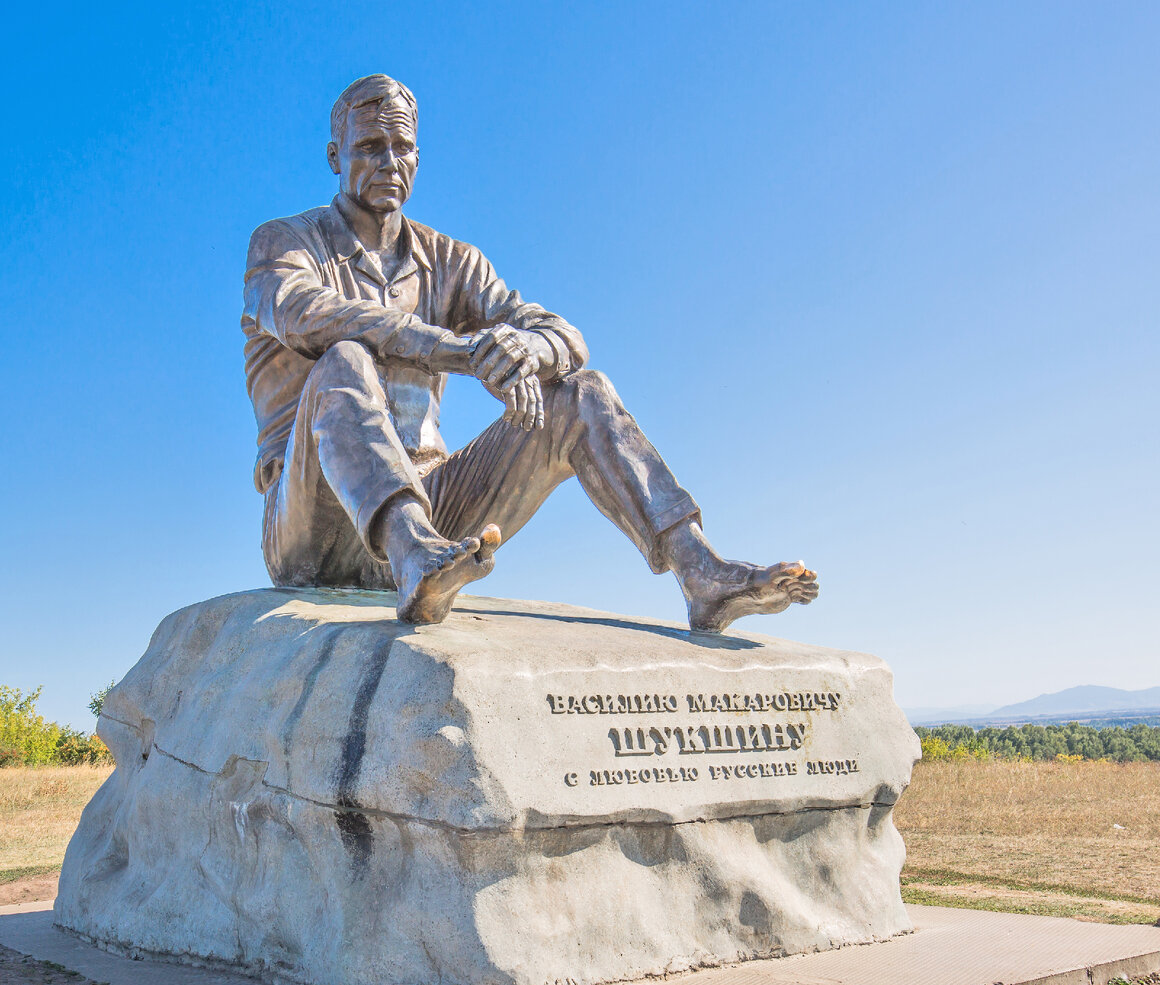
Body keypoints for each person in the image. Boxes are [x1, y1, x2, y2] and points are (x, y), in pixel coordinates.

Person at [243, 74, 818, 631]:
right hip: (313, 525)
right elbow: (304, 313)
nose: (389, 162)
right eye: (369, 146)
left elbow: (564, 336)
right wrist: (462, 351)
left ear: (418, 157)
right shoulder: (284, 242)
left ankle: (702, 574)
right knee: (345, 356)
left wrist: (524, 349)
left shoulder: (453, 261)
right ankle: (412, 556)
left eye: (402, 147)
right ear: (333, 155)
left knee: (581, 391)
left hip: (435, 498)